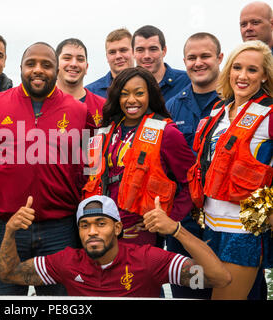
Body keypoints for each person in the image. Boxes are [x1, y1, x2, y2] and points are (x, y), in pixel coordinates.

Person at [0, 42, 96, 295]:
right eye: (31, 64)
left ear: (57, 70)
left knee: (61, 304)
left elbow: (91, 167)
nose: (38, 70)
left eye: (46, 65)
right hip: (5, 226)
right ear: (20, 68)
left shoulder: (79, 111)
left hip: (60, 228)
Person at [0, 195, 231, 297]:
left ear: (118, 229)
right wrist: (9, 231)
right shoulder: (67, 262)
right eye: (85, 226)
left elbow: (219, 278)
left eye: (101, 223)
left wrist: (176, 230)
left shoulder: (149, 260)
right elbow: (9, 275)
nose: (93, 232)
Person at [188, 40, 273, 300]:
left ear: (265, 75)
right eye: (237, 67)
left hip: (244, 229)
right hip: (209, 226)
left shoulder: (269, 113)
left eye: (252, 70)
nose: (243, 76)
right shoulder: (218, 111)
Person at [82, 67, 195, 246]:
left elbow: (192, 179)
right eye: (124, 94)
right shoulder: (103, 131)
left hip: (140, 237)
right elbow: (89, 177)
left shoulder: (167, 133)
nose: (131, 100)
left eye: (139, 93)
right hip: (101, 234)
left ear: (150, 95)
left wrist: (169, 219)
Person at [164, 32, 223, 299]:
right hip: (185, 222)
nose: (198, 63)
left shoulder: (236, 103)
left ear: (220, 58)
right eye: (192, 57)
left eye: (205, 56)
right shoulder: (172, 108)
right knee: (191, 291)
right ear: (184, 61)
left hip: (227, 220)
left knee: (235, 289)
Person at [132, 25, 190, 103]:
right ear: (133, 53)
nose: (147, 56)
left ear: (164, 51)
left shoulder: (187, 82)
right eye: (140, 50)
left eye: (153, 49)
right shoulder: (125, 86)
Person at [56, 38, 106, 127]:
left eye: (80, 59)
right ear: (55, 65)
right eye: (67, 58)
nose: (74, 64)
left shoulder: (103, 107)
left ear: (86, 67)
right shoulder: (41, 104)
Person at [85, 28, 134, 98]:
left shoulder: (149, 86)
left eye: (123, 50)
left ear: (134, 52)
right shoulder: (90, 93)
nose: (118, 56)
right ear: (107, 57)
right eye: (112, 52)